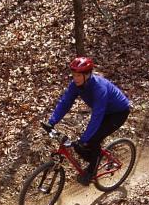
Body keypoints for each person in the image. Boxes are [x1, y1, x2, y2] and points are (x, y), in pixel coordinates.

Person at [43, 57, 130, 185]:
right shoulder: (75, 85)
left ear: (87, 75)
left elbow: (97, 115)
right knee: (81, 146)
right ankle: (96, 157)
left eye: (78, 75)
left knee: (92, 139)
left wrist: (85, 139)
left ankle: (91, 171)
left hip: (118, 112)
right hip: (105, 112)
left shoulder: (99, 88)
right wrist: (52, 122)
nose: (75, 78)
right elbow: (65, 102)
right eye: (74, 75)